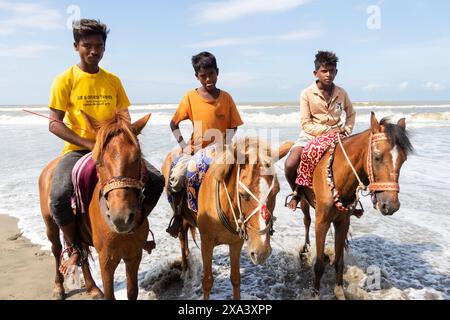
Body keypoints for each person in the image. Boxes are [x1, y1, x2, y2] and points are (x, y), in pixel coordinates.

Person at [48, 19, 164, 275]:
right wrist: (92, 145)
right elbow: (54, 124)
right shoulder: (64, 80)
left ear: (104, 48)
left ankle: (137, 227)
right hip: (79, 149)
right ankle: (75, 245)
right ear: (76, 46)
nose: (93, 51)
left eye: (98, 46)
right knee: (58, 195)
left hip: (114, 151)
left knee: (156, 179)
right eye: (87, 45)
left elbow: (124, 118)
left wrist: (121, 141)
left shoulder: (113, 81)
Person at [166, 51, 244, 237]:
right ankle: (178, 216)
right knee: (176, 178)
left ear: (218, 72)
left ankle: (244, 216)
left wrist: (224, 142)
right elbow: (173, 123)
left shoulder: (226, 98)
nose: (208, 79)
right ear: (197, 76)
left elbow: (234, 126)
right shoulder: (190, 97)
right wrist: (185, 146)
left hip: (223, 149)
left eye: (211, 74)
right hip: (196, 151)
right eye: (203, 76)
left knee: (247, 174)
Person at [284, 51, 356, 210]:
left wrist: (347, 130)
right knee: (290, 164)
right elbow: (305, 123)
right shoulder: (306, 94)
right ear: (315, 73)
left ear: (336, 72)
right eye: (324, 71)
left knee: (357, 159)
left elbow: (351, 114)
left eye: (332, 71)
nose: (328, 74)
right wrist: (326, 132)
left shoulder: (342, 93)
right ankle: (297, 193)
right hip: (310, 136)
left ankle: (352, 199)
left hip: (338, 136)